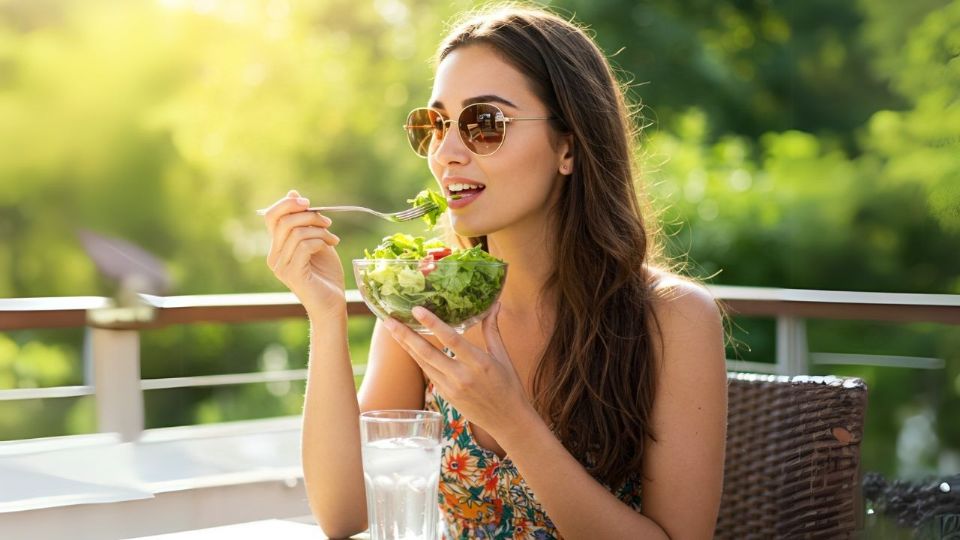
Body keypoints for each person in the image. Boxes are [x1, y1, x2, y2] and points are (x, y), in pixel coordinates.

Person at [262, 4, 726, 539]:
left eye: (484, 124)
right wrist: (326, 312)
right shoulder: (430, 298)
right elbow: (345, 512)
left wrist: (511, 420)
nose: (447, 153)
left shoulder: (671, 318)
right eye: (434, 125)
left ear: (568, 146)